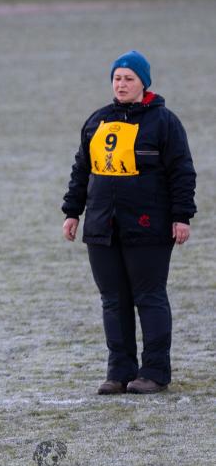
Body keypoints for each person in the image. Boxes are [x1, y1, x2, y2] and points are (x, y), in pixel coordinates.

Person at [62, 50, 196, 395]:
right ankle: (119, 372)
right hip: (102, 227)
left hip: (148, 226)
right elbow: (82, 170)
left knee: (149, 297)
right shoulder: (97, 120)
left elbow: (182, 172)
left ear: (143, 84)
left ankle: (154, 372)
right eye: (117, 78)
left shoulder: (164, 122)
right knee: (112, 300)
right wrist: (72, 212)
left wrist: (182, 217)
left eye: (129, 79)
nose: (121, 84)